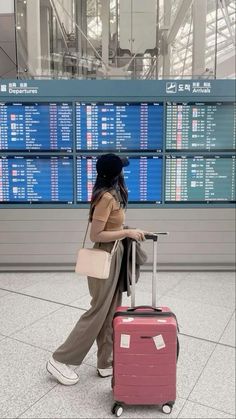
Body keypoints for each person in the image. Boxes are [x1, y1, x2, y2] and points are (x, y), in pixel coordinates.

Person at [46, 153, 146, 385]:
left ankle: (105, 362)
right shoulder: (106, 198)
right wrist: (125, 232)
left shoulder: (114, 195)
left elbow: (114, 225)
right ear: (115, 173)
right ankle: (60, 360)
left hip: (115, 254)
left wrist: (129, 229)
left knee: (111, 311)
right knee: (97, 312)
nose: (124, 172)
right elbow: (96, 234)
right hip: (105, 255)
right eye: (121, 169)